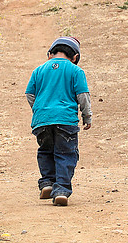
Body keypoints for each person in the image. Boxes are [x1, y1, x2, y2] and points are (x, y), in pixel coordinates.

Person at [25, 36, 92, 206]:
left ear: (50, 54)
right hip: (65, 120)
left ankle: (47, 183)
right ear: (75, 57)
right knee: (65, 153)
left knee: (46, 151)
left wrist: (39, 109)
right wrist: (87, 116)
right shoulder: (76, 71)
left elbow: (30, 94)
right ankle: (61, 189)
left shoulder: (38, 70)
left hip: (42, 120)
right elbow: (82, 96)